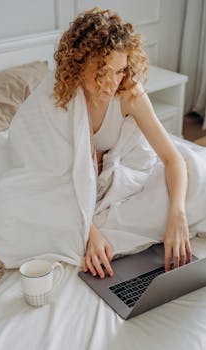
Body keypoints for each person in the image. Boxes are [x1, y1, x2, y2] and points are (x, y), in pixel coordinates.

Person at [52, 7, 192, 279]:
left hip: (122, 170)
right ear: (79, 64)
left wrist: (178, 215)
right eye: (101, 71)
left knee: (193, 183)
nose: (111, 84)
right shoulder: (63, 99)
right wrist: (89, 232)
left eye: (119, 71)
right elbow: (51, 178)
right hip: (69, 182)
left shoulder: (129, 94)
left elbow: (173, 159)